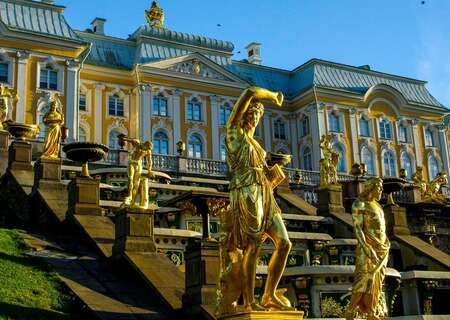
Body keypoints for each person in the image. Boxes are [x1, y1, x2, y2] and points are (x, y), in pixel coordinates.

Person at [221, 86, 292, 312]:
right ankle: (249, 300)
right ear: (242, 116)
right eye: (251, 114)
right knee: (253, 246)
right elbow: (250, 91)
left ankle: (269, 294)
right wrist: (274, 96)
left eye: (258, 116)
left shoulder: (257, 145)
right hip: (246, 193)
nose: (254, 118)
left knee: (284, 243)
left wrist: (273, 175)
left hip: (265, 193)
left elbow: (259, 172)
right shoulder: (234, 133)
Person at [346, 177, 390, 320]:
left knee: (377, 280)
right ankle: (350, 311)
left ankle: (371, 311)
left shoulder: (378, 206)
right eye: (379, 188)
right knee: (364, 278)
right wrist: (366, 248)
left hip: (381, 248)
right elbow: (358, 230)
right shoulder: (359, 204)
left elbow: (381, 229)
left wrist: (385, 244)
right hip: (368, 247)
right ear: (370, 188)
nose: (381, 191)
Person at [122, 137, 153, 209]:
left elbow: (150, 161)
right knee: (130, 179)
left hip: (139, 165)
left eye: (148, 149)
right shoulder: (137, 143)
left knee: (136, 184)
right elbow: (130, 140)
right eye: (146, 148)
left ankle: (132, 201)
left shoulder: (148, 151)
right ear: (145, 144)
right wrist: (124, 139)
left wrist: (149, 170)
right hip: (132, 163)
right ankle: (129, 196)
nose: (146, 150)